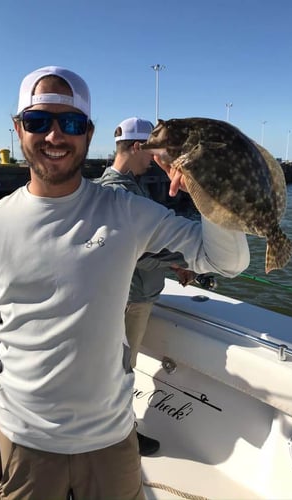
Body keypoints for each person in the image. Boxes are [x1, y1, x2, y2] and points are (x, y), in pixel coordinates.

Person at [0, 65, 250, 500]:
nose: (55, 136)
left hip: (111, 440)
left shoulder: (125, 211)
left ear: (88, 133)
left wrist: (211, 190)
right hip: (24, 440)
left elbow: (226, 261)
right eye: (39, 121)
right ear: (18, 129)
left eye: (70, 123)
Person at [99, 117, 196, 456]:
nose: (158, 159)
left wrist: (172, 262)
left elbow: (139, 246)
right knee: (122, 370)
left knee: (119, 368)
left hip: (134, 294)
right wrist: (179, 262)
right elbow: (134, 256)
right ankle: (123, 437)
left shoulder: (124, 186)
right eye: (155, 152)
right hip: (131, 299)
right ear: (138, 146)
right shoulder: (120, 192)